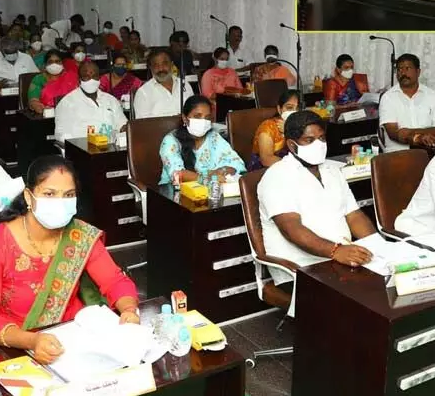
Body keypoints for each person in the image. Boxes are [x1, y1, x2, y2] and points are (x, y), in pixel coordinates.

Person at [0, 155, 139, 363]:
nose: (60, 202)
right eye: (49, 194)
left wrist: (129, 311)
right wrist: (32, 341)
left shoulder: (79, 234)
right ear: (29, 197)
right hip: (18, 347)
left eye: (68, 195)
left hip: (75, 341)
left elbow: (115, 282)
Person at [257, 110, 378, 306]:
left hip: (341, 259)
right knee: (359, 304)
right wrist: (335, 251)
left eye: (321, 138)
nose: (319, 145)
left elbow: (354, 215)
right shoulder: (276, 176)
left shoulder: (332, 170)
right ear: (291, 145)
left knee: (385, 287)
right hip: (301, 266)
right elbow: (291, 229)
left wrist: (376, 245)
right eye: (309, 140)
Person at [159, 96, 245, 184]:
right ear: (185, 118)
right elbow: (177, 175)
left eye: (207, 118)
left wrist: (221, 170)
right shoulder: (171, 141)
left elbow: (236, 163)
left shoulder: (213, 136)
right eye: (197, 116)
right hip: (173, 193)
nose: (203, 121)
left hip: (209, 193)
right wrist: (209, 179)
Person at [379, 53, 435, 151]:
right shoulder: (388, 97)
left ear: (418, 72)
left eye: (407, 68)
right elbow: (393, 133)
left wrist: (408, 132)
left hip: (429, 149)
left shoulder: (432, 95)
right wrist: (418, 138)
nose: (403, 73)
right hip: (398, 153)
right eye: (399, 69)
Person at [54, 61, 128, 141]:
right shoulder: (67, 103)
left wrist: (125, 128)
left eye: (95, 76)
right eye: (86, 76)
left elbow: (122, 124)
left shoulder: (111, 100)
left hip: (112, 148)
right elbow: (60, 134)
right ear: (79, 80)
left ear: (99, 78)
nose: (91, 80)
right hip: (83, 149)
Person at [134, 48, 195, 119]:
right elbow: (141, 124)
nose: (161, 69)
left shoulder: (184, 85)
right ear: (151, 68)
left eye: (165, 64)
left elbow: (194, 111)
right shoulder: (143, 93)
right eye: (156, 65)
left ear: (172, 65)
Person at [250, 89, 301, 170]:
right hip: (266, 171)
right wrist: (292, 166)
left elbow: (306, 153)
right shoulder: (268, 127)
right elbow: (266, 159)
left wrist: (290, 131)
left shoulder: (303, 126)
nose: (294, 112)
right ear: (279, 109)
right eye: (289, 108)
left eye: (298, 108)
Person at [200, 47, 245, 117]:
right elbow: (208, 95)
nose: (224, 61)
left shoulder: (232, 72)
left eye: (226, 59)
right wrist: (228, 94)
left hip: (234, 105)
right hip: (216, 107)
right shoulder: (208, 74)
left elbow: (240, 90)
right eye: (222, 59)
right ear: (215, 59)